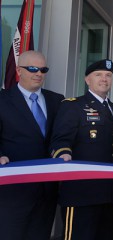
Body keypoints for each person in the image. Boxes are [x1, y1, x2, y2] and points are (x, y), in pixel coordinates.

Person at [49, 59, 113, 239]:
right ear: (87, 80)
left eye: (108, 75)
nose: (104, 79)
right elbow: (60, 140)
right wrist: (63, 154)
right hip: (81, 193)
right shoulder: (72, 106)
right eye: (98, 75)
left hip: (110, 194)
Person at [0, 50, 64, 240]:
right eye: (33, 68)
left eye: (43, 69)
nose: (39, 73)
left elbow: (61, 137)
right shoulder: (2, 100)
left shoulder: (57, 100)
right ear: (19, 71)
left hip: (47, 191)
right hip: (13, 191)